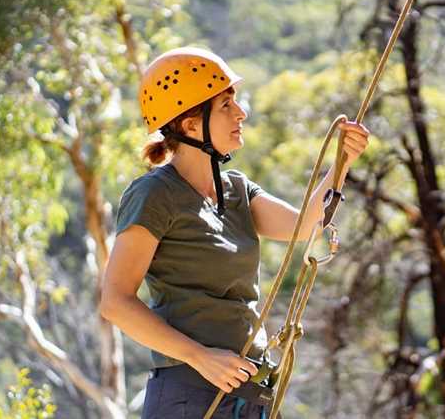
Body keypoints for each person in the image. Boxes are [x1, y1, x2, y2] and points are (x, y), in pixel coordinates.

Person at [101, 47, 371, 418]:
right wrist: (200, 357)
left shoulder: (237, 190)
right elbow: (115, 301)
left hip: (247, 393)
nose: (241, 113)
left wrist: (340, 163)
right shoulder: (154, 195)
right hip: (190, 395)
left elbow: (302, 227)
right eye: (226, 105)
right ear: (190, 124)